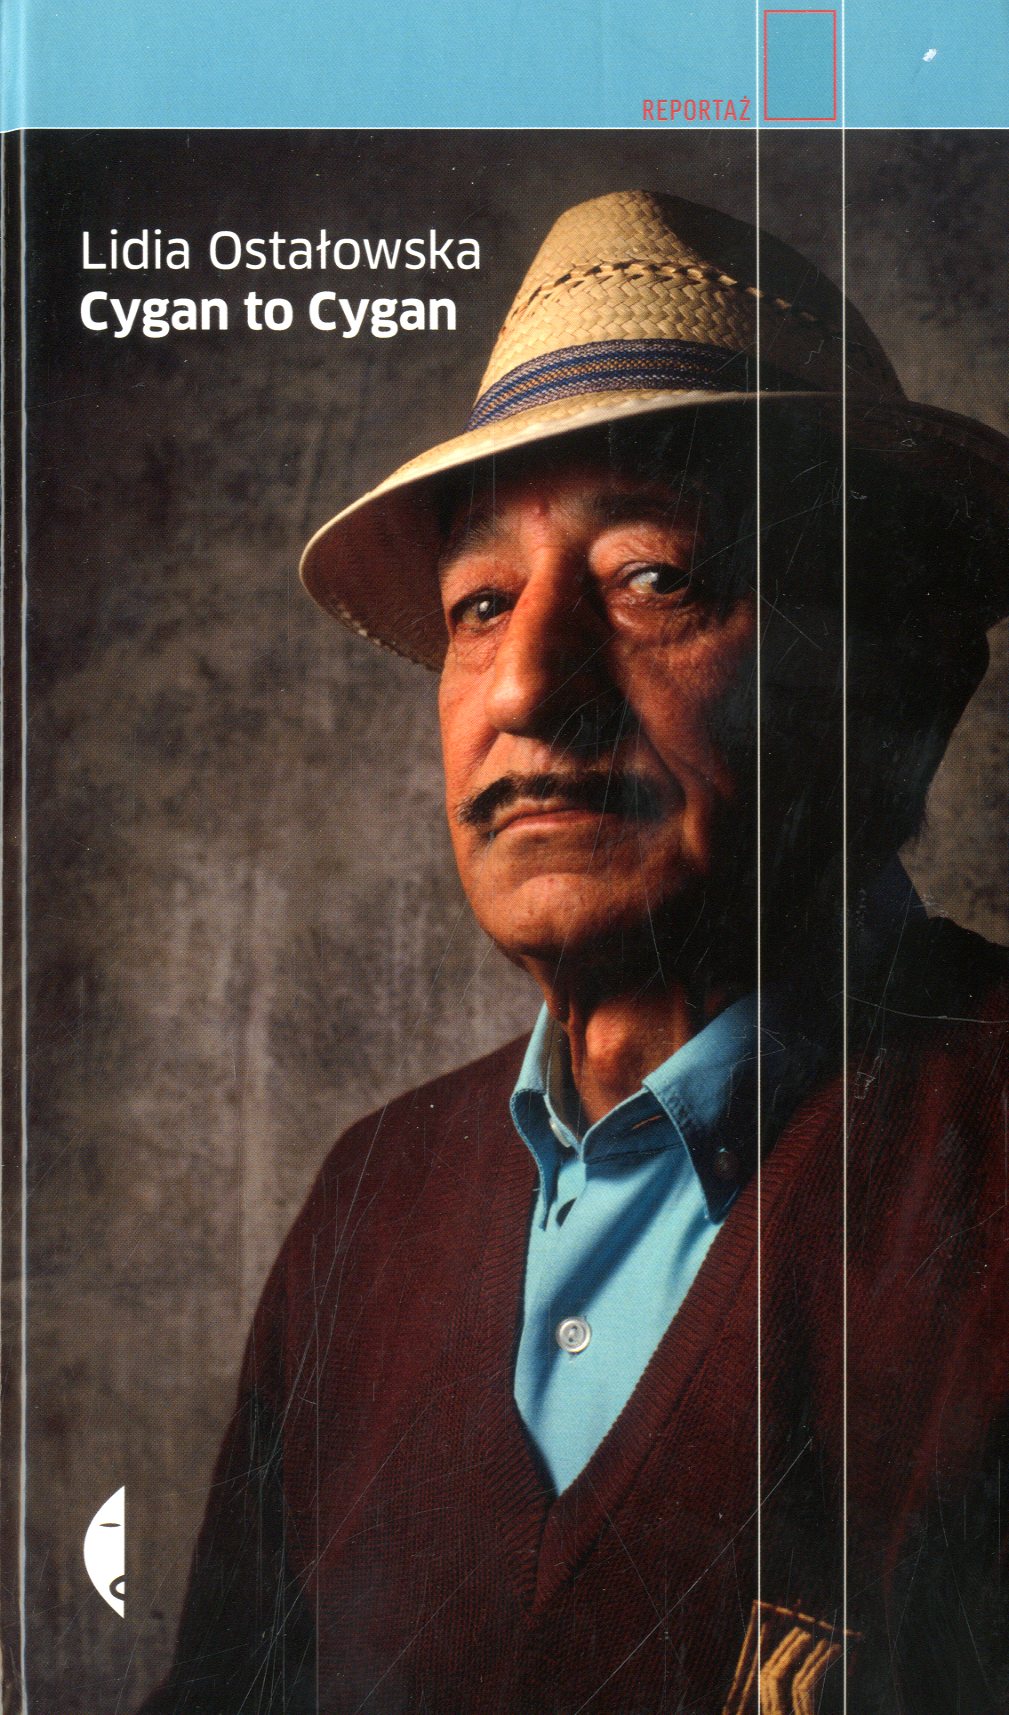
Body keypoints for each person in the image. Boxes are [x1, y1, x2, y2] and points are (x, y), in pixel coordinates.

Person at [142, 192, 1009, 1714]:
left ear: (899, 680)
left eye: (654, 576)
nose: (527, 685)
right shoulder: (373, 1200)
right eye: (480, 604)